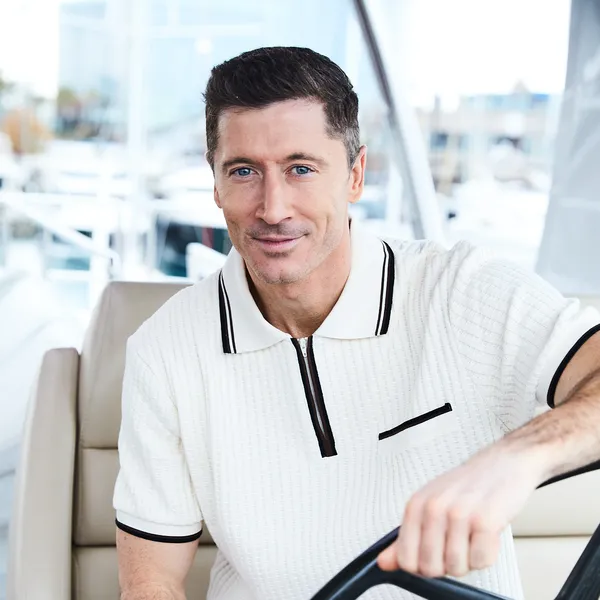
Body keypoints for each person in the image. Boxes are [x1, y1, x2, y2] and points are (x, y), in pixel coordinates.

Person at [113, 46, 600, 600]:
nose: (273, 208)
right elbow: (150, 581)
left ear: (355, 174)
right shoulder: (165, 349)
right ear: (216, 182)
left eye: (301, 169)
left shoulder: (463, 291)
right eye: (244, 171)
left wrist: (516, 459)